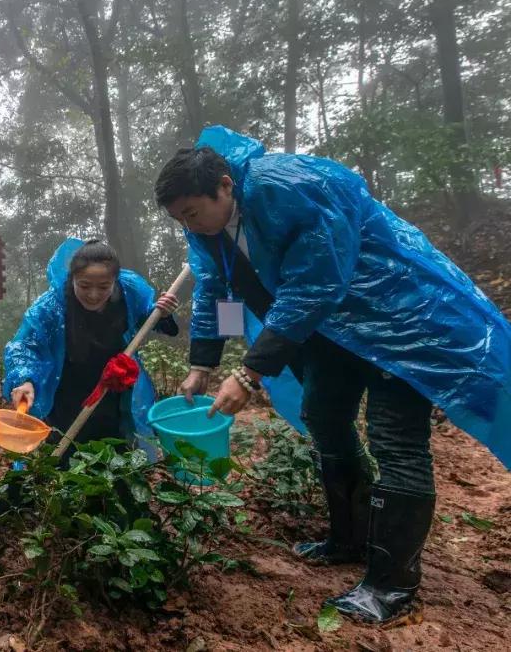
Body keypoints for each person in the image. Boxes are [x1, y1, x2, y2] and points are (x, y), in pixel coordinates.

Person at [154, 125, 511, 624]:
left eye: (193, 213)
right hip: (332, 332)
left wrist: (252, 372)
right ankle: (349, 537)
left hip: (399, 323)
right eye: (181, 220)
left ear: (225, 186)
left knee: (396, 441)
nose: (190, 226)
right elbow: (218, 292)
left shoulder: (290, 185)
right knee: (322, 414)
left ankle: (392, 586)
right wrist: (201, 367)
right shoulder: (210, 237)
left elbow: (314, 285)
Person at [3, 239, 180, 466]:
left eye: (104, 287)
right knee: (69, 451)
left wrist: (162, 314)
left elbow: (147, 318)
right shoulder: (50, 306)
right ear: (72, 278)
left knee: (116, 450)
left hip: (116, 390)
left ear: (115, 281)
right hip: (67, 392)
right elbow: (25, 346)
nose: (94, 295)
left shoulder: (129, 292)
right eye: (84, 286)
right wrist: (25, 379)